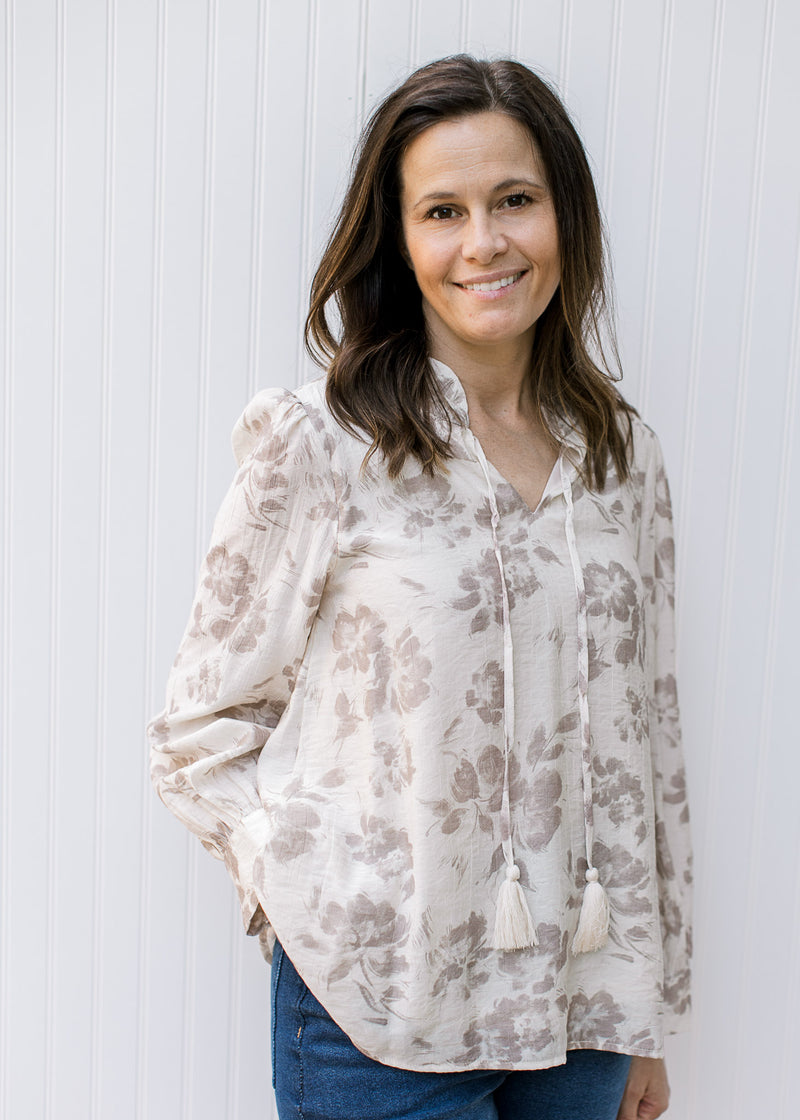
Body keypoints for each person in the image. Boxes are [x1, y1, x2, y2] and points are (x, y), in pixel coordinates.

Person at [148, 55, 691, 1120]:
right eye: (441, 210)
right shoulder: (320, 444)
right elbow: (197, 729)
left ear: (562, 217)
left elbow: (647, 742)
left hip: (581, 1008)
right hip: (378, 1015)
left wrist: (647, 1016)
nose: (482, 242)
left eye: (514, 201)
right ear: (397, 241)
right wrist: (309, 889)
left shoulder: (622, 454)